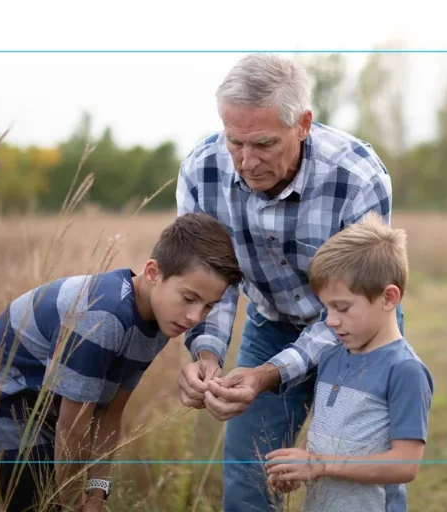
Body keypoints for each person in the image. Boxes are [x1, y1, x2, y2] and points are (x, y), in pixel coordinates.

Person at [175, 52, 403, 511]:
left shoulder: (357, 178)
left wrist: (268, 375)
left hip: (361, 331)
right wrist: (206, 354)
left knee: (360, 483)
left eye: (263, 144)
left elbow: (354, 302)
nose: (246, 161)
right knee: (248, 478)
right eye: (234, 141)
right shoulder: (202, 172)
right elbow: (210, 282)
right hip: (271, 322)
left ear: (302, 124)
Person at [0, 213, 242, 512]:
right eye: (189, 297)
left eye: (208, 306)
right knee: (38, 502)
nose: (195, 318)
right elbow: (72, 428)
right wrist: (76, 501)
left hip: (57, 407)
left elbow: (110, 412)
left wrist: (96, 493)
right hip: (10, 403)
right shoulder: (104, 315)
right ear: (153, 272)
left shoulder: (162, 318)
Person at [264, 212, 433, 512]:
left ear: (389, 298)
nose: (330, 320)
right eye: (326, 308)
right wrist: (298, 464)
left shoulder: (405, 371)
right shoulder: (330, 357)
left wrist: (318, 465)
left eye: (342, 307)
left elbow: (406, 464)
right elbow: (323, 431)